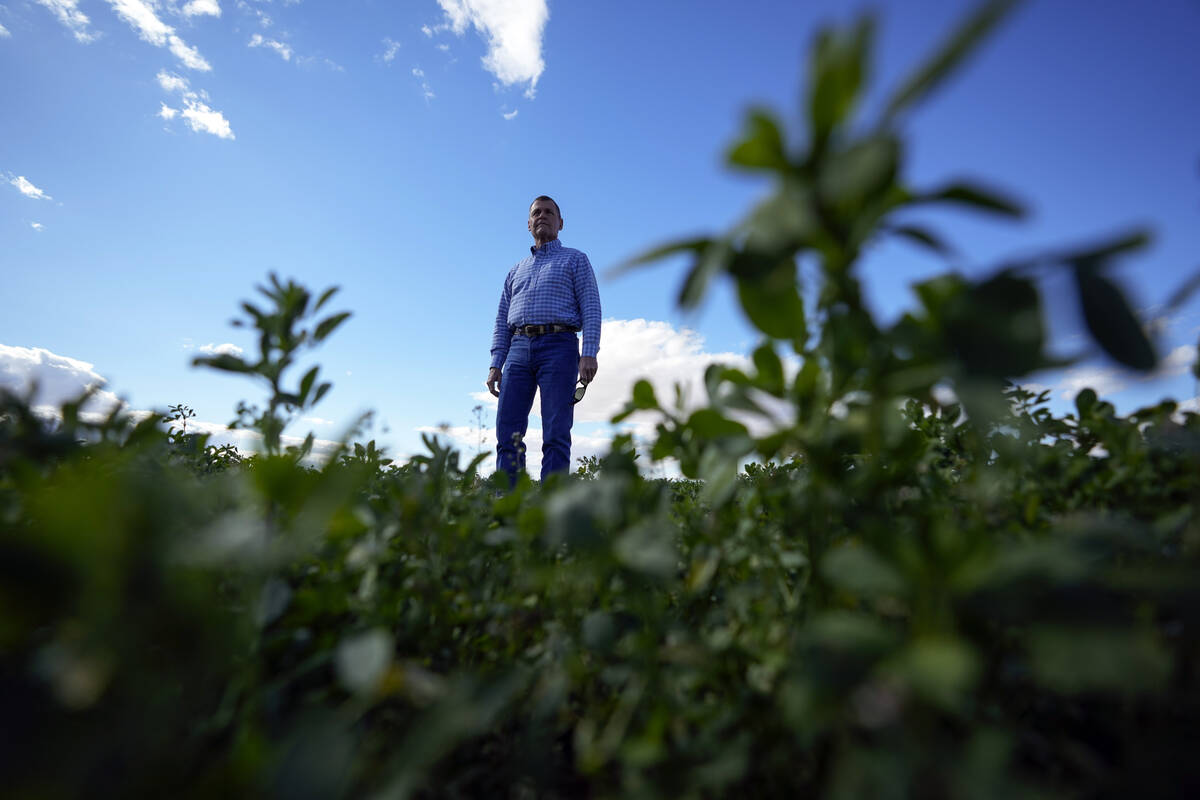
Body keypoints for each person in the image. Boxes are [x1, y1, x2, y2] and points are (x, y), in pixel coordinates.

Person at [487, 196, 601, 484]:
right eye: (536, 212)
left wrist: (588, 353)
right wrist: (495, 363)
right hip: (517, 349)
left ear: (560, 223)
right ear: (528, 223)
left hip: (559, 347)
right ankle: (508, 505)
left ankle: (552, 507)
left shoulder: (575, 259)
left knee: (556, 431)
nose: (542, 216)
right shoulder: (515, 271)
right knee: (507, 431)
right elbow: (502, 321)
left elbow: (591, 306)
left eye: (549, 212)